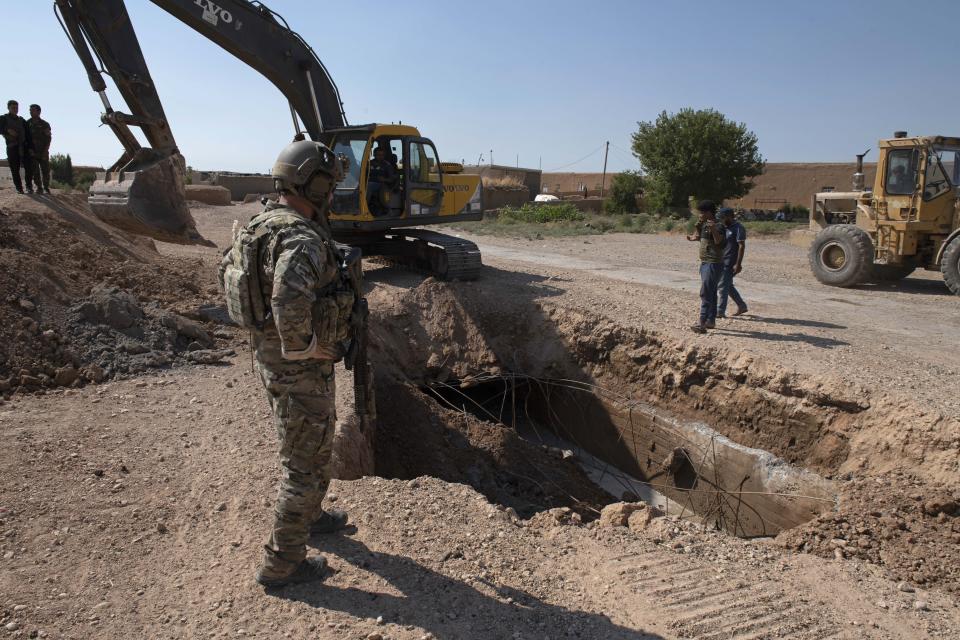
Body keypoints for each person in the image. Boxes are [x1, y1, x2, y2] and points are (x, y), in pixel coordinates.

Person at [219, 140, 355, 588]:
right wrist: (310, 348)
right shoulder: (298, 236)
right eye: (329, 184)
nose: (333, 193)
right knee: (304, 462)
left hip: (272, 359)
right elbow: (287, 302)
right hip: (297, 366)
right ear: (313, 184)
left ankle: (312, 518)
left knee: (308, 447)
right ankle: (282, 564)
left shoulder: (262, 223)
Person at [686, 200, 725, 333]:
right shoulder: (704, 225)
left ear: (709, 212)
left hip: (714, 263)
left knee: (705, 292)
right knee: (712, 292)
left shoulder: (719, 225)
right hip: (705, 262)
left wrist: (713, 228)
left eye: (702, 212)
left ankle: (701, 323)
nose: (700, 214)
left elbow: (719, 241)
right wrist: (694, 237)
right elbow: (702, 238)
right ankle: (710, 321)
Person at [717, 207, 748, 318]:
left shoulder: (738, 228)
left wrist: (738, 264)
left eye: (723, 218)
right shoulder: (723, 227)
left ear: (729, 217)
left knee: (722, 286)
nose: (721, 220)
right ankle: (742, 305)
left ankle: (720, 312)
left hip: (730, 262)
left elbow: (741, 246)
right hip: (721, 260)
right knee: (727, 285)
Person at [0, 100, 31, 194]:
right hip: (12, 146)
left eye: (16, 108)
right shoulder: (3, 118)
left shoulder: (22, 120)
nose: (15, 109)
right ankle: (19, 188)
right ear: (8, 108)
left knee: (28, 168)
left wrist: (30, 148)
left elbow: (28, 135)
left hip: (23, 146)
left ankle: (29, 187)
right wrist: (7, 130)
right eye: (13, 108)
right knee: (15, 168)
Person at [26, 104, 52, 194]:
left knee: (45, 170)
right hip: (32, 152)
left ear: (39, 112)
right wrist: (29, 150)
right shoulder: (27, 123)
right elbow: (26, 138)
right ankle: (39, 187)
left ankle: (46, 187)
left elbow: (49, 138)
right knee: (35, 171)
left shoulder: (44, 124)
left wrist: (45, 150)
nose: (31, 112)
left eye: (33, 110)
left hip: (43, 151)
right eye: (30, 110)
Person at [367, 145, 397, 216]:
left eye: (382, 155)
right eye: (378, 155)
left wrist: (384, 179)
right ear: (374, 155)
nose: (380, 157)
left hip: (381, 185)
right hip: (367, 183)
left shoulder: (387, 165)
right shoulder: (369, 163)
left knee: (369, 186)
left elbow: (392, 179)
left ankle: (364, 205)